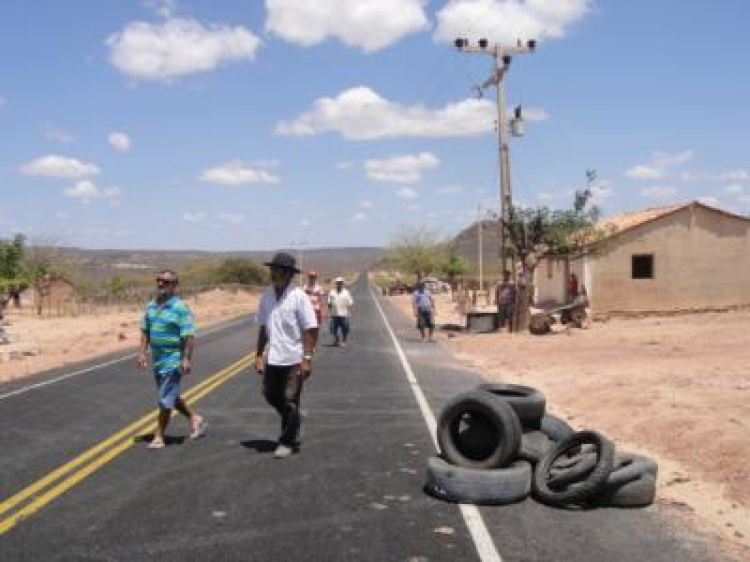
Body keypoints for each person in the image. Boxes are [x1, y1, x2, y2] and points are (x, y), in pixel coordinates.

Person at [255, 252, 319, 459]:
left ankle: (286, 441)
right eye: (272, 269)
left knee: (290, 399)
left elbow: (311, 328)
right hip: (273, 357)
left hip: (294, 357)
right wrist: (258, 355)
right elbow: (263, 327)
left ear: (289, 274)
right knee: (270, 394)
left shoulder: (299, 296)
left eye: (277, 270)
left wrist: (307, 358)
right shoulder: (266, 295)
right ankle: (295, 419)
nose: (273, 273)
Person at [138, 270, 207, 449]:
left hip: (173, 360)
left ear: (174, 285)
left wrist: (186, 359)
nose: (161, 284)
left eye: (166, 282)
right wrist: (142, 353)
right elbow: (145, 331)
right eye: (159, 280)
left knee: (164, 399)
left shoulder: (179, 307)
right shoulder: (151, 306)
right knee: (171, 396)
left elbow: (188, 335)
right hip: (158, 360)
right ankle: (194, 418)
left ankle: (159, 436)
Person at [327, 277, 354, 347]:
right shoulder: (332, 292)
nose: (339, 284)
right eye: (338, 283)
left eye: (341, 283)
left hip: (344, 314)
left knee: (345, 328)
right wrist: (328, 312)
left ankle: (343, 341)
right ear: (336, 284)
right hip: (334, 314)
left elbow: (350, 302)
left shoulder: (346, 292)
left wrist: (348, 311)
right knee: (332, 329)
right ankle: (337, 339)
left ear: (343, 284)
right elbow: (329, 303)